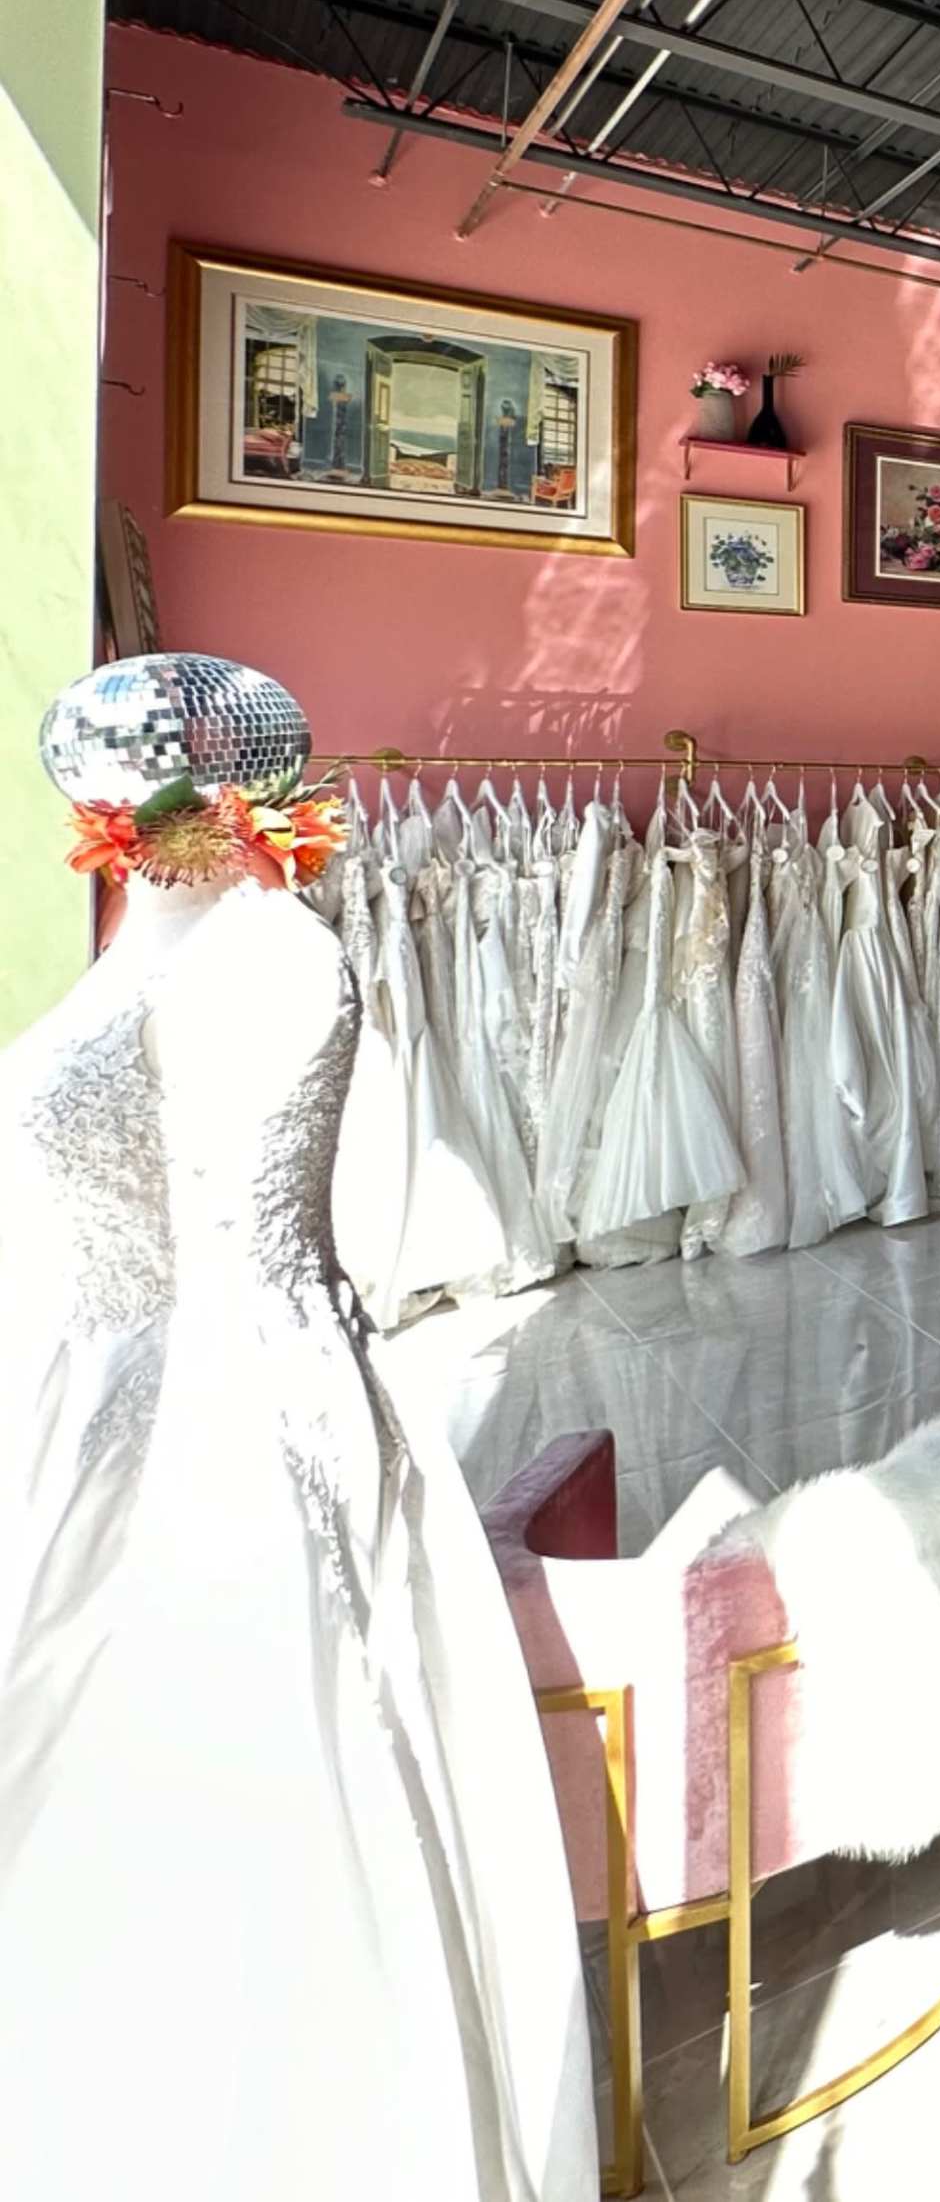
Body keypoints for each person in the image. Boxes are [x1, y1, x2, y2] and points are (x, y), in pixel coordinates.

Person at [1, 657, 598, 2199]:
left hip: (240, 1394)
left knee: (268, 1758)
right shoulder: (155, 940)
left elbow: (231, 1206)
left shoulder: (278, 962)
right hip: (96, 1392)